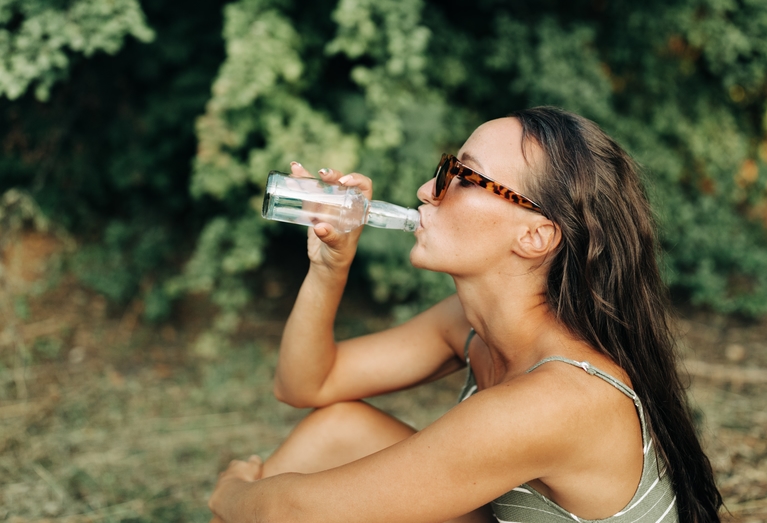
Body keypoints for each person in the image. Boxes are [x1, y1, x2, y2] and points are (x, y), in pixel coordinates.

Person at [208, 106, 723, 523]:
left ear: (535, 236)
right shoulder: (473, 323)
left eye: (463, 175)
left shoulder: (558, 400)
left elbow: (292, 511)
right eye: (444, 169)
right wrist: (330, 266)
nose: (428, 190)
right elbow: (306, 383)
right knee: (338, 428)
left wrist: (231, 492)